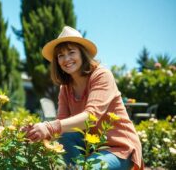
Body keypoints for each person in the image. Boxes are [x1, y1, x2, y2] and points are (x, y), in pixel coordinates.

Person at [24, 26, 143, 170]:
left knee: (85, 168)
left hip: (119, 148)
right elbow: (61, 128)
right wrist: (35, 133)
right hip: (90, 145)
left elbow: (91, 116)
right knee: (64, 139)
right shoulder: (65, 88)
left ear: (82, 54)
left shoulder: (101, 75)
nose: (66, 59)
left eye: (71, 52)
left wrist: (49, 126)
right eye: (60, 55)